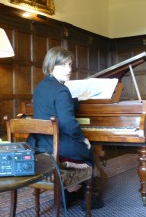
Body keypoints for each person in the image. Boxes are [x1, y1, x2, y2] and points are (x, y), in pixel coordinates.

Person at [27, 46, 104, 209]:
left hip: (42, 145)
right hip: (59, 148)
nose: (68, 69)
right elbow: (69, 124)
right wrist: (83, 139)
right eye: (63, 65)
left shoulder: (40, 87)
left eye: (69, 65)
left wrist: (77, 99)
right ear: (51, 65)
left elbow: (53, 103)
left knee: (81, 146)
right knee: (89, 151)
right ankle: (86, 198)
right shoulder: (62, 90)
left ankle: (67, 196)